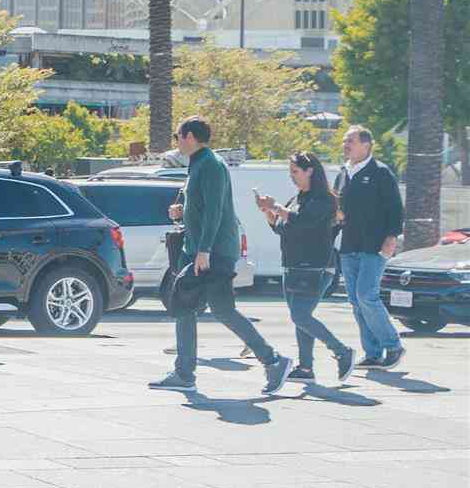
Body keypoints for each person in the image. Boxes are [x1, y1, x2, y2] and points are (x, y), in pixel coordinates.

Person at [151, 118, 292, 393]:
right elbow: (204, 206)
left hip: (210, 252)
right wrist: (183, 210)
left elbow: (216, 211)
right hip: (198, 250)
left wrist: (204, 250)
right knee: (187, 306)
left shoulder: (211, 165)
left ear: (190, 136)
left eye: (177, 136)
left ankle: (272, 360)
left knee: (216, 309)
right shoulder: (199, 165)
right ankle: (185, 372)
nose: (176, 141)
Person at [258, 151, 355, 384]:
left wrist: (278, 207)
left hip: (316, 267)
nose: (292, 176)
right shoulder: (298, 197)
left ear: (309, 171)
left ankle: (342, 351)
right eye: (290, 172)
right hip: (293, 265)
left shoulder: (324, 199)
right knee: (300, 317)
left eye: (295, 171)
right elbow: (286, 228)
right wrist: (269, 215)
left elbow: (303, 222)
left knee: (300, 315)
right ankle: (305, 367)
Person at [334, 125, 406, 368]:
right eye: (345, 141)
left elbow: (396, 209)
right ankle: (373, 353)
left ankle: (393, 346)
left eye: (350, 141)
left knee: (367, 295)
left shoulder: (381, 173)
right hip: (348, 247)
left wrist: (392, 237)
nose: (346, 145)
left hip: (374, 247)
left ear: (366, 145)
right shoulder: (343, 173)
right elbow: (337, 207)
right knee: (356, 302)